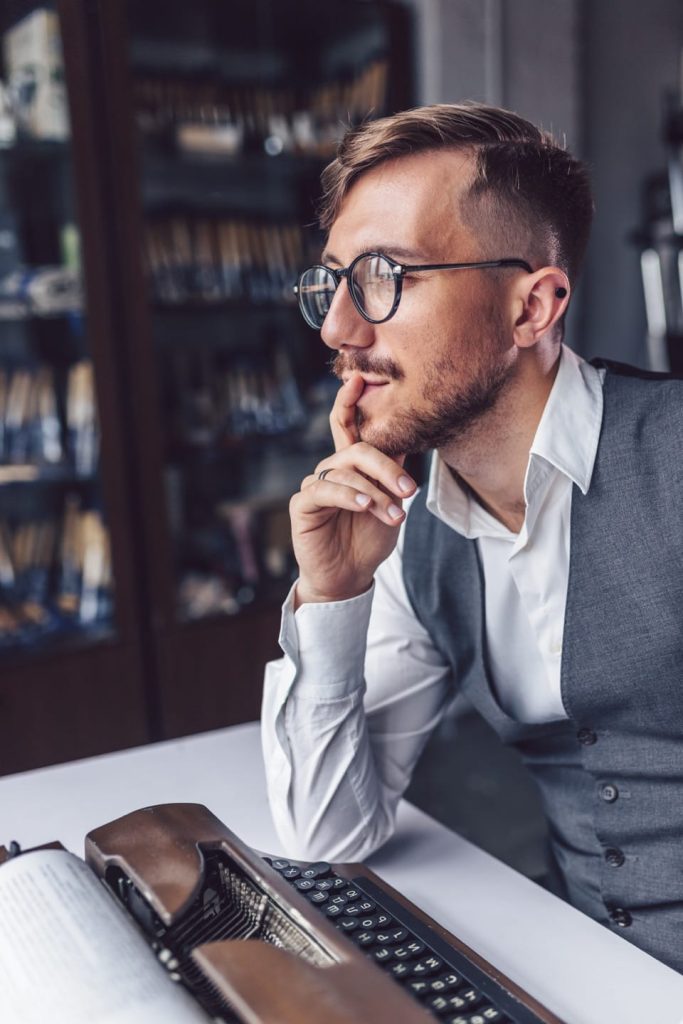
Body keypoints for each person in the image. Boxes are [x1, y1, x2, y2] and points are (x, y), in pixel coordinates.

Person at [260, 102, 683, 974]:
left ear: (531, 307)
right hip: (580, 966)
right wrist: (335, 597)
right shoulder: (407, 535)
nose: (339, 329)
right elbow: (327, 827)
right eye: (333, 280)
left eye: (384, 275)